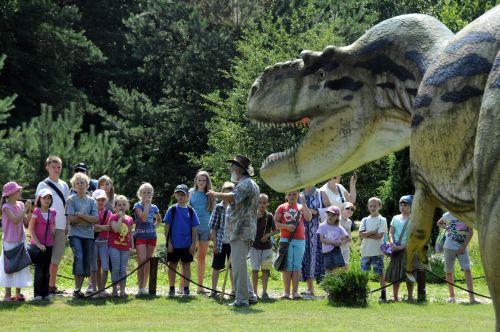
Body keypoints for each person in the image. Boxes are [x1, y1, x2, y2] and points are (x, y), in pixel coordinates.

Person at [207, 155, 260, 307]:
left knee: (238, 265)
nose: (231, 170)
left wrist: (216, 194)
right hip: (244, 230)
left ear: (238, 170)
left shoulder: (244, 184)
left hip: (240, 230)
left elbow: (233, 197)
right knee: (240, 264)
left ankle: (242, 299)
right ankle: (250, 295)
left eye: (232, 168)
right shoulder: (251, 183)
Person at [35, 155, 70, 296]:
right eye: (53, 167)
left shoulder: (64, 185)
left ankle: (51, 285)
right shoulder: (42, 185)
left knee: (57, 256)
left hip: (61, 225)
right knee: (44, 257)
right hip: (45, 225)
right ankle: (41, 286)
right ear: (47, 168)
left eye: (59, 167)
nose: (56, 169)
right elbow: (37, 206)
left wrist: (68, 225)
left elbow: (68, 207)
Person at [274, 191, 313, 300]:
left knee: (297, 266)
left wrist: (304, 203)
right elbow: (275, 223)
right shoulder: (281, 207)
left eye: (294, 194)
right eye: (290, 194)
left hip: (300, 240)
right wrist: (286, 226)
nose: (292, 197)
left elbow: (309, 218)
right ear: (286, 195)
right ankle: (286, 292)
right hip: (286, 240)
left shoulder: (301, 207)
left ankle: (295, 292)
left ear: (298, 195)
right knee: (287, 265)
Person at [66, 172, 98, 298]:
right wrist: (87, 218)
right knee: (78, 256)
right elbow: (71, 219)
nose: (80, 185)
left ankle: (79, 289)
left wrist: (80, 215)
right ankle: (76, 289)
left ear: (87, 185)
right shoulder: (71, 200)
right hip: (75, 234)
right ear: (73, 186)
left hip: (88, 235)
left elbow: (95, 219)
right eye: (77, 183)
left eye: (82, 182)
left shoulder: (92, 201)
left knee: (86, 261)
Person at [163, 184, 199, 297]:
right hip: (173, 245)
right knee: (172, 265)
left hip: (187, 245)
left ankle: (186, 289)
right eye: (178, 194)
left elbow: (194, 229)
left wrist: (193, 244)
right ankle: (172, 288)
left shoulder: (191, 211)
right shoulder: (172, 209)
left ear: (188, 196)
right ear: (175, 195)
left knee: (186, 266)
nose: (180, 197)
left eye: (183, 194)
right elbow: (167, 227)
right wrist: (168, 243)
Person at [0, 182, 33, 301]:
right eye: (17, 191)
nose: (20, 192)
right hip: (9, 241)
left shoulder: (20, 204)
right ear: (10, 194)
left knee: (20, 265)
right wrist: (25, 209)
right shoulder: (6, 207)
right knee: (9, 267)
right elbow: (15, 220)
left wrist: (30, 211)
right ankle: (7, 294)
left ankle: (18, 293)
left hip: (20, 239)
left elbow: (25, 221)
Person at [437, 212, 478, 304]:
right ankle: (452, 297)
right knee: (449, 271)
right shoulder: (447, 215)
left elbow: (470, 232)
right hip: (449, 246)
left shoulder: (467, 215)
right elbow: (439, 223)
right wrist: (446, 227)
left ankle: (472, 298)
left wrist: (463, 247)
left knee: (467, 269)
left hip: (462, 247)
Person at [385, 195, 418, 301]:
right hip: (395, 249)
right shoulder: (395, 218)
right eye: (401, 205)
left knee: (409, 273)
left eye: (406, 205)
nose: (403, 207)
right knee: (395, 273)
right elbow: (391, 232)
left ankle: (410, 296)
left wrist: (404, 246)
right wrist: (392, 243)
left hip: (408, 250)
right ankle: (395, 296)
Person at [189, 171, 216, 294]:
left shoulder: (211, 194)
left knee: (201, 257)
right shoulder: (190, 193)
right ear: (195, 181)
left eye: (203, 180)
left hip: (206, 228)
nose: (201, 182)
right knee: (188, 256)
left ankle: (200, 286)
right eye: (199, 180)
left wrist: (212, 230)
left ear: (207, 182)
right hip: (192, 228)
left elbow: (214, 213)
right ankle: (184, 285)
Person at [300, 185, 330, 296]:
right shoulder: (299, 194)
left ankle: (328, 289)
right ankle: (310, 289)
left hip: (319, 232)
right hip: (302, 232)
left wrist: (316, 211)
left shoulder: (321, 193)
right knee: (306, 258)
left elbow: (331, 210)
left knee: (321, 258)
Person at [134, 183, 161, 295]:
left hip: (151, 237)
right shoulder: (137, 206)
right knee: (142, 261)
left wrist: (155, 225)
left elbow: (159, 219)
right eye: (144, 192)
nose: (146, 195)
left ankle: (145, 286)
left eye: (149, 192)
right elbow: (143, 218)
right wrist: (146, 205)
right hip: (140, 236)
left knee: (148, 262)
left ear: (152, 194)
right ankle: (140, 287)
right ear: (140, 194)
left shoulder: (155, 207)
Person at [208, 182, 235, 298]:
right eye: (225, 191)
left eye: (230, 192)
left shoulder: (236, 207)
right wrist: (214, 244)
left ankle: (234, 290)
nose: (227, 194)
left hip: (233, 242)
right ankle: (213, 290)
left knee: (233, 267)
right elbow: (213, 226)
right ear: (222, 193)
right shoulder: (218, 208)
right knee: (217, 266)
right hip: (220, 242)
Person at [28, 189, 56, 300]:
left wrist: (50, 238)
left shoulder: (52, 212)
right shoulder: (36, 212)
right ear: (39, 199)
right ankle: (38, 294)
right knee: (39, 270)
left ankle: (46, 293)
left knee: (46, 270)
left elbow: (53, 227)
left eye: (49, 198)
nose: (47, 200)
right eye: (44, 197)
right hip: (37, 245)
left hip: (49, 245)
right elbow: (30, 229)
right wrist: (38, 244)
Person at [359, 197, 387, 301]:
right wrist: (372, 232)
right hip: (365, 251)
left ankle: (383, 294)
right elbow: (360, 235)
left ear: (380, 207)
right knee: (364, 274)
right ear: (368, 207)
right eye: (371, 205)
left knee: (380, 273)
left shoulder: (382, 220)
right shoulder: (365, 220)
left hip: (377, 251)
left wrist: (367, 234)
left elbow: (379, 236)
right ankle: (363, 294)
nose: (372, 208)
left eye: (375, 206)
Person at [250, 193, 278, 300]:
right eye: (260, 202)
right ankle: (254, 292)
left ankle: (265, 292)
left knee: (266, 269)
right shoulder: (252, 215)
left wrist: (267, 235)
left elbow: (276, 230)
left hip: (267, 247)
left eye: (264, 203)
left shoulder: (270, 216)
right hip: (254, 247)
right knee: (255, 270)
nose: (262, 205)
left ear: (267, 204)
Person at [108, 195, 134, 298]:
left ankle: (122, 291)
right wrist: (120, 218)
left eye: (124, 204)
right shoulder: (113, 216)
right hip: (114, 246)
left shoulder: (130, 219)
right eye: (119, 205)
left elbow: (130, 233)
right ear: (115, 207)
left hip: (125, 248)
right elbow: (115, 229)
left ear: (127, 206)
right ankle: (114, 290)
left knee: (123, 269)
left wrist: (132, 246)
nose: (122, 207)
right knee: (116, 269)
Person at [90, 189, 111, 297]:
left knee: (105, 267)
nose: (101, 202)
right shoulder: (91, 211)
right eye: (98, 199)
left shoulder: (108, 213)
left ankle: (102, 289)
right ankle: (94, 290)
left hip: (104, 242)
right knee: (94, 267)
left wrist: (98, 227)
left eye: (103, 199)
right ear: (94, 200)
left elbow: (109, 227)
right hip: (93, 242)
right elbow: (91, 229)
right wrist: (102, 228)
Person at [316, 206, 349, 274]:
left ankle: (334, 283)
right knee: (328, 269)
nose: (330, 216)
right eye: (329, 214)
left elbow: (348, 238)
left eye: (333, 215)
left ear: (337, 216)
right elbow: (322, 240)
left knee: (336, 269)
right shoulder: (322, 226)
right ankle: (329, 283)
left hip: (336, 250)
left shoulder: (339, 227)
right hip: (326, 251)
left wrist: (341, 242)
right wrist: (333, 242)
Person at [339, 202, 355, 270]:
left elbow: (349, 235)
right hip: (338, 246)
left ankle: (344, 280)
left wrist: (348, 239)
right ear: (341, 210)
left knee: (346, 265)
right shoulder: (338, 220)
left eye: (352, 209)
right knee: (336, 267)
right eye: (347, 208)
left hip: (346, 246)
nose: (350, 210)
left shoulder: (349, 221)